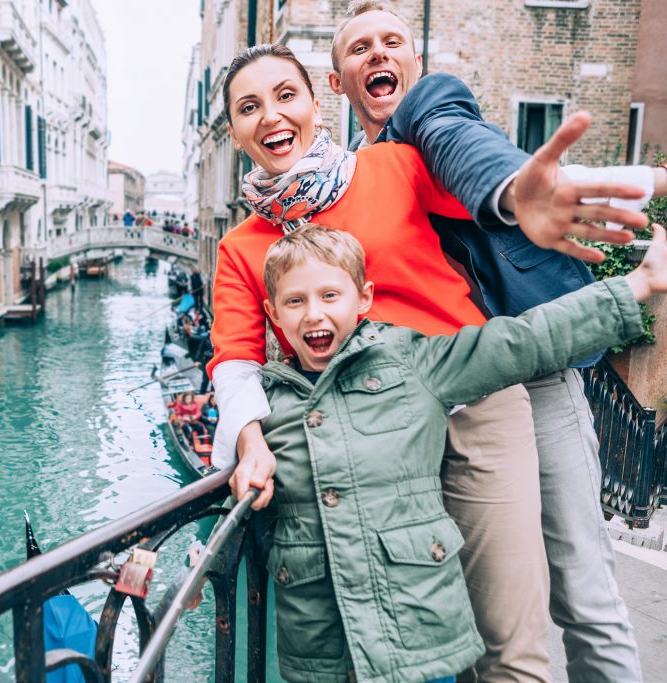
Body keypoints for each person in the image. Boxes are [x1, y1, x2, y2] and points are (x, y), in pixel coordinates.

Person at [208, 43, 663, 683]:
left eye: (286, 95)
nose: (271, 116)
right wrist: (250, 441)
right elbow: (235, 359)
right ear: (234, 131)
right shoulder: (240, 246)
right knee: (416, 635)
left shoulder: (391, 166)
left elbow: (489, 191)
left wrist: (530, 191)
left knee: (509, 637)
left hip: (468, 401)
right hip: (365, 435)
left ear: (317, 101)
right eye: (249, 107)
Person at [257, 224, 667, 683]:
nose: (314, 314)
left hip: (421, 640)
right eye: (296, 302)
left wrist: (638, 284)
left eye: (329, 296)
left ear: (364, 298)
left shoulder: (414, 362)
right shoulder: (264, 409)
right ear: (274, 311)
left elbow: (523, 340)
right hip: (320, 658)